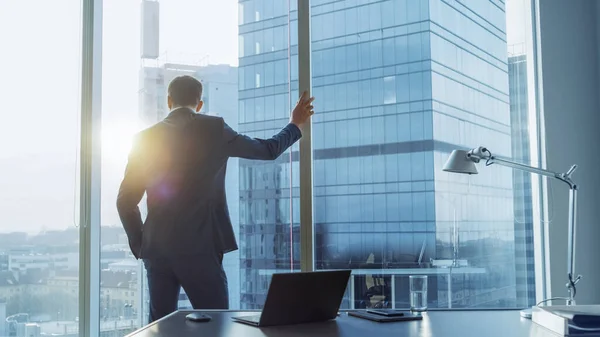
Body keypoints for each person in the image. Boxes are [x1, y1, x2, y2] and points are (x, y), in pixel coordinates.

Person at [116, 75, 315, 322]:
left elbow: (125, 202)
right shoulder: (214, 129)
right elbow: (267, 150)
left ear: (169, 101)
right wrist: (295, 124)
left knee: (159, 328)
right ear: (199, 104)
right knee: (217, 324)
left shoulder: (144, 139)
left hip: (157, 250)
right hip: (202, 248)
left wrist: (143, 243)